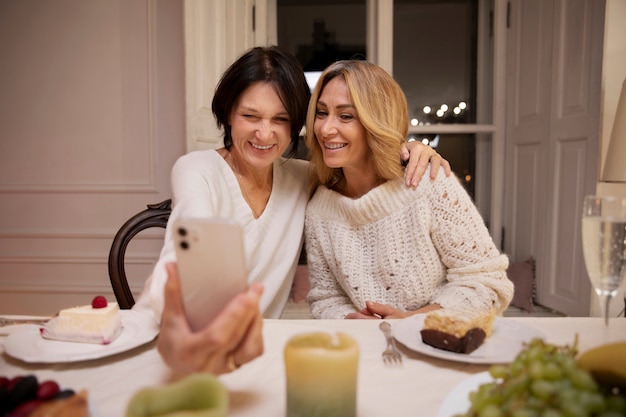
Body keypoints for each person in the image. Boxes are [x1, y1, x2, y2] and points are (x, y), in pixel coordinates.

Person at [133, 46, 450, 374]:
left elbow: (363, 165)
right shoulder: (196, 169)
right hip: (180, 341)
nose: (264, 133)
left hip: (256, 355)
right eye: (250, 116)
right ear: (228, 113)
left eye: (280, 120)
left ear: (297, 124)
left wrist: (411, 149)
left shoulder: (304, 178)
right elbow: (186, 251)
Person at [304, 60, 514, 320]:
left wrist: (414, 320)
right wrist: (348, 319)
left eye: (346, 116)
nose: (325, 129)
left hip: (439, 345)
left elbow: (488, 283)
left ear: (377, 122)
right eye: (321, 113)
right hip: (368, 350)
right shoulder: (319, 211)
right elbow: (326, 299)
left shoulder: (430, 184)